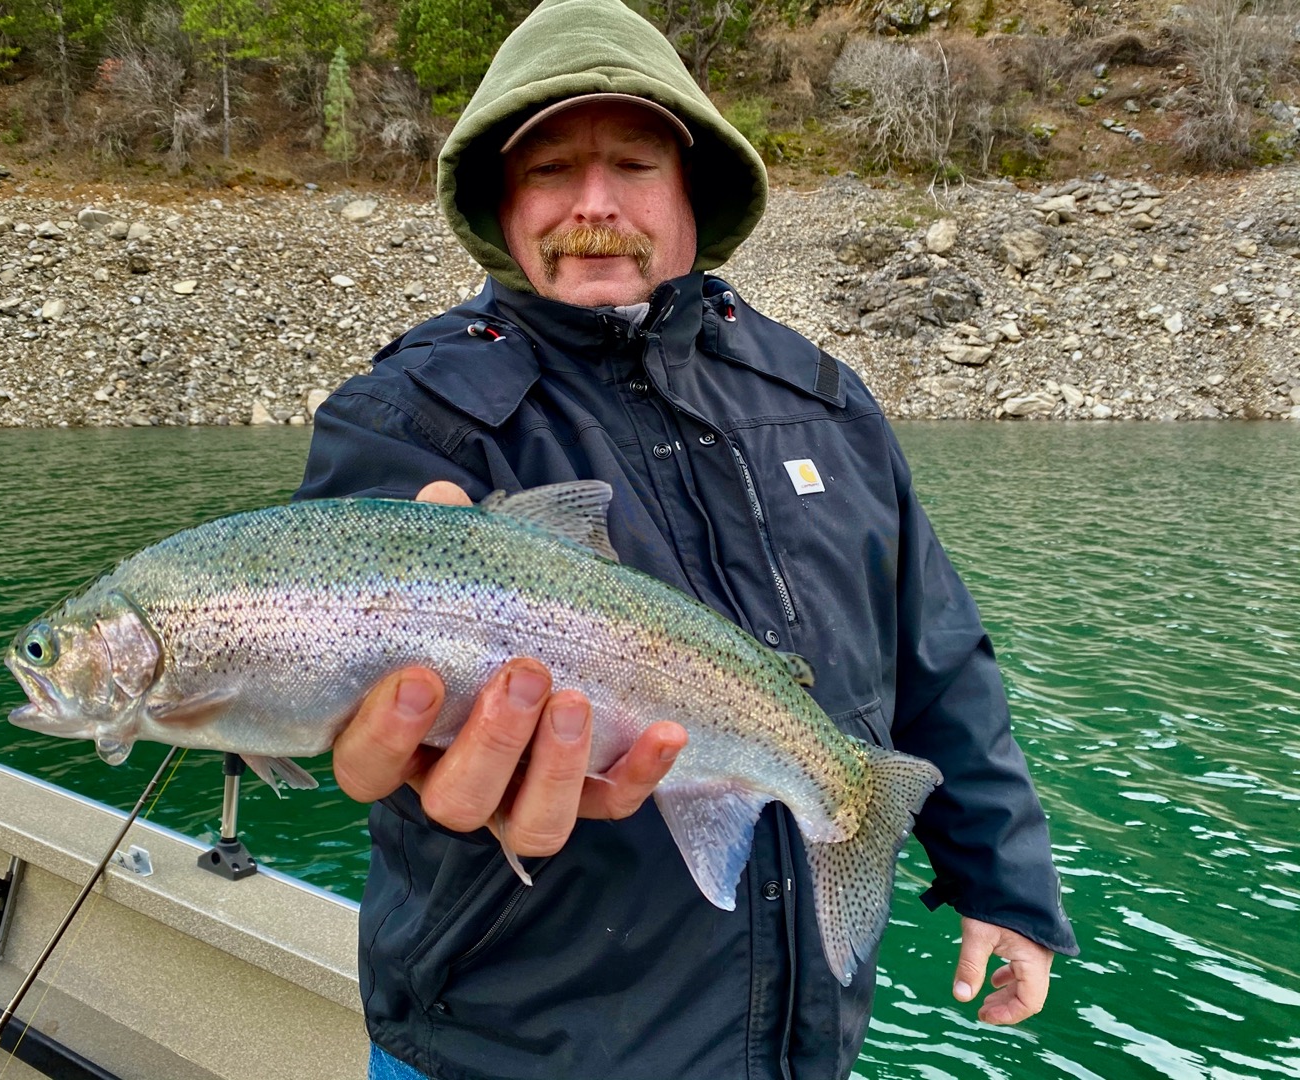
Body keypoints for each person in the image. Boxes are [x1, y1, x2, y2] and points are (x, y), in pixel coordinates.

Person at [296, 0, 1078, 1076]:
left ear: (692, 194)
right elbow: (347, 628)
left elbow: (936, 655)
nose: (595, 204)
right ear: (499, 203)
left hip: (800, 1041)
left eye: (633, 162)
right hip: (509, 1046)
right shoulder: (401, 418)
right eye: (549, 170)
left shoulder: (821, 398)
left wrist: (1001, 881)